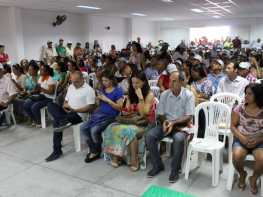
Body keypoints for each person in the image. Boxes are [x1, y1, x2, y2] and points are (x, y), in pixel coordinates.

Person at [146, 71, 195, 182]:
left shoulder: (188, 95)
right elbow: (161, 114)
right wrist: (165, 122)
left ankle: (175, 169)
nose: (171, 84)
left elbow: (188, 117)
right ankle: (158, 165)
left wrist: (174, 123)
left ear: (182, 82)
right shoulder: (164, 95)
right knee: (149, 135)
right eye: (170, 81)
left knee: (178, 138)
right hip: (168, 124)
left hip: (181, 126)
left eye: (174, 81)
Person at [104, 70, 156, 171]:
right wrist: (125, 112)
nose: (134, 85)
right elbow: (127, 110)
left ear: (144, 82)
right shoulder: (131, 94)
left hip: (146, 123)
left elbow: (143, 113)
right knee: (112, 127)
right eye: (132, 82)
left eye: (137, 82)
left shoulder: (149, 95)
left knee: (130, 132)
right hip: (132, 121)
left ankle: (134, 160)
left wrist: (140, 97)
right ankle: (116, 155)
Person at [45, 71, 95, 162]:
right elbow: (66, 101)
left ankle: (57, 150)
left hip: (78, 115)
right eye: (72, 82)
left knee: (56, 122)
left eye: (76, 82)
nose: (74, 84)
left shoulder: (89, 90)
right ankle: (62, 119)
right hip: (68, 111)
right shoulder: (71, 87)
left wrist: (74, 110)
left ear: (82, 79)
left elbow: (90, 108)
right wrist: (65, 106)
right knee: (50, 104)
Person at [80, 70, 123, 163]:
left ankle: (96, 151)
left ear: (111, 80)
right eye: (103, 80)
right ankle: (94, 150)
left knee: (94, 130)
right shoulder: (102, 88)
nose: (104, 83)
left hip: (112, 117)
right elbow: (99, 105)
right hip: (101, 115)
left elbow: (120, 108)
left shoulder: (117, 90)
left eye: (106, 81)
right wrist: (98, 99)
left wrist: (107, 100)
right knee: (83, 127)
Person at [231, 83, 263, 196]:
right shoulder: (240, 108)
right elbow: (232, 126)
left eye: (250, 94)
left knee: (262, 160)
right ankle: (242, 174)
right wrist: (241, 137)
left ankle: (253, 179)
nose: (246, 96)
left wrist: (259, 141)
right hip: (242, 138)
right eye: (246, 93)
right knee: (236, 157)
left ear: (258, 95)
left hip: (259, 140)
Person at [23, 65, 56, 129]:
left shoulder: (50, 79)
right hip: (40, 97)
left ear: (47, 72)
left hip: (48, 98)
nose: (40, 71)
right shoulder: (40, 79)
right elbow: (37, 89)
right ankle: (34, 119)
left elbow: (52, 92)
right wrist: (34, 89)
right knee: (25, 105)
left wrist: (40, 89)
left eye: (42, 70)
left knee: (34, 107)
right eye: (40, 70)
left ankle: (39, 122)